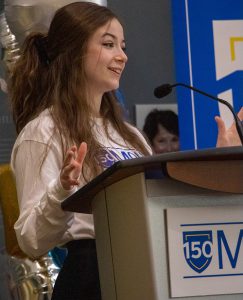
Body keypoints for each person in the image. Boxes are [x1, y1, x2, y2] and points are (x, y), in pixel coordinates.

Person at [8, 2, 152, 300]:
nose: (122, 56)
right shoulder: (44, 132)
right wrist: (61, 190)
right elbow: (30, 240)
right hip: (91, 275)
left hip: (146, 265)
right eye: (108, 44)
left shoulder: (132, 136)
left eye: (122, 46)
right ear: (74, 51)